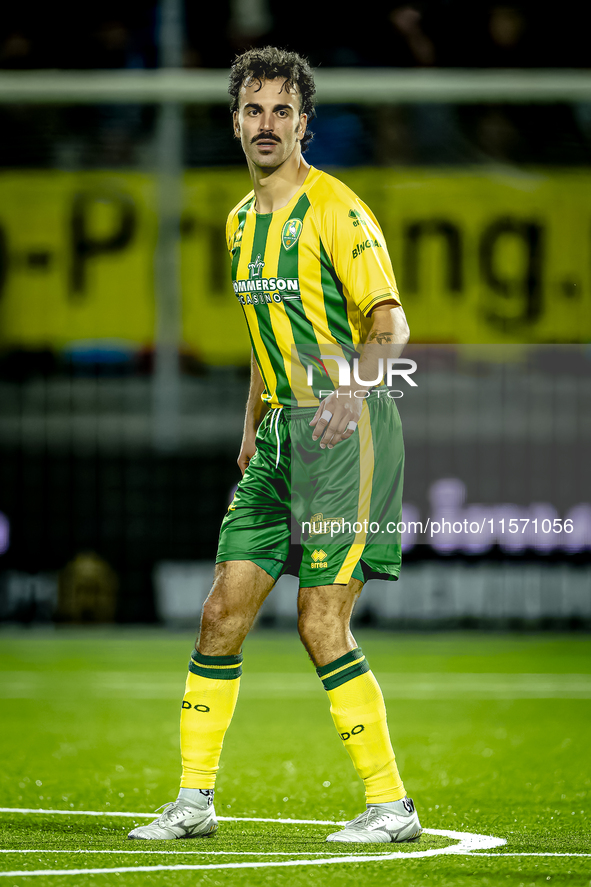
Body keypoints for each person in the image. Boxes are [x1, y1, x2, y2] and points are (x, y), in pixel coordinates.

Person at [129, 46, 422, 845]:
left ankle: (391, 805)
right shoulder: (236, 222)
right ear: (234, 122)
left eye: (281, 111)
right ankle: (193, 803)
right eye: (252, 110)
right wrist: (251, 421)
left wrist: (349, 393)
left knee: (319, 619)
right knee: (220, 612)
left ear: (304, 123)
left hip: (347, 433)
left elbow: (389, 323)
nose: (266, 124)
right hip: (280, 438)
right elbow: (266, 339)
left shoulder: (338, 209)